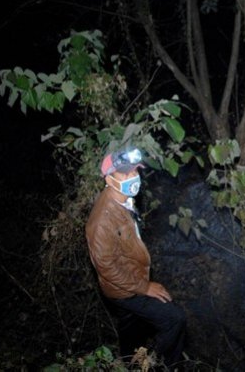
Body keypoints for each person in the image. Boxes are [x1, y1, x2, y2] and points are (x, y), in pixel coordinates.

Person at [85, 147, 187, 368]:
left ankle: (129, 362)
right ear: (109, 179)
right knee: (175, 319)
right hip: (125, 288)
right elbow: (107, 268)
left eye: (135, 172)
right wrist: (144, 287)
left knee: (131, 327)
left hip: (126, 282)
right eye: (125, 174)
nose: (133, 178)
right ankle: (156, 364)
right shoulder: (101, 221)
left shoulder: (124, 199)